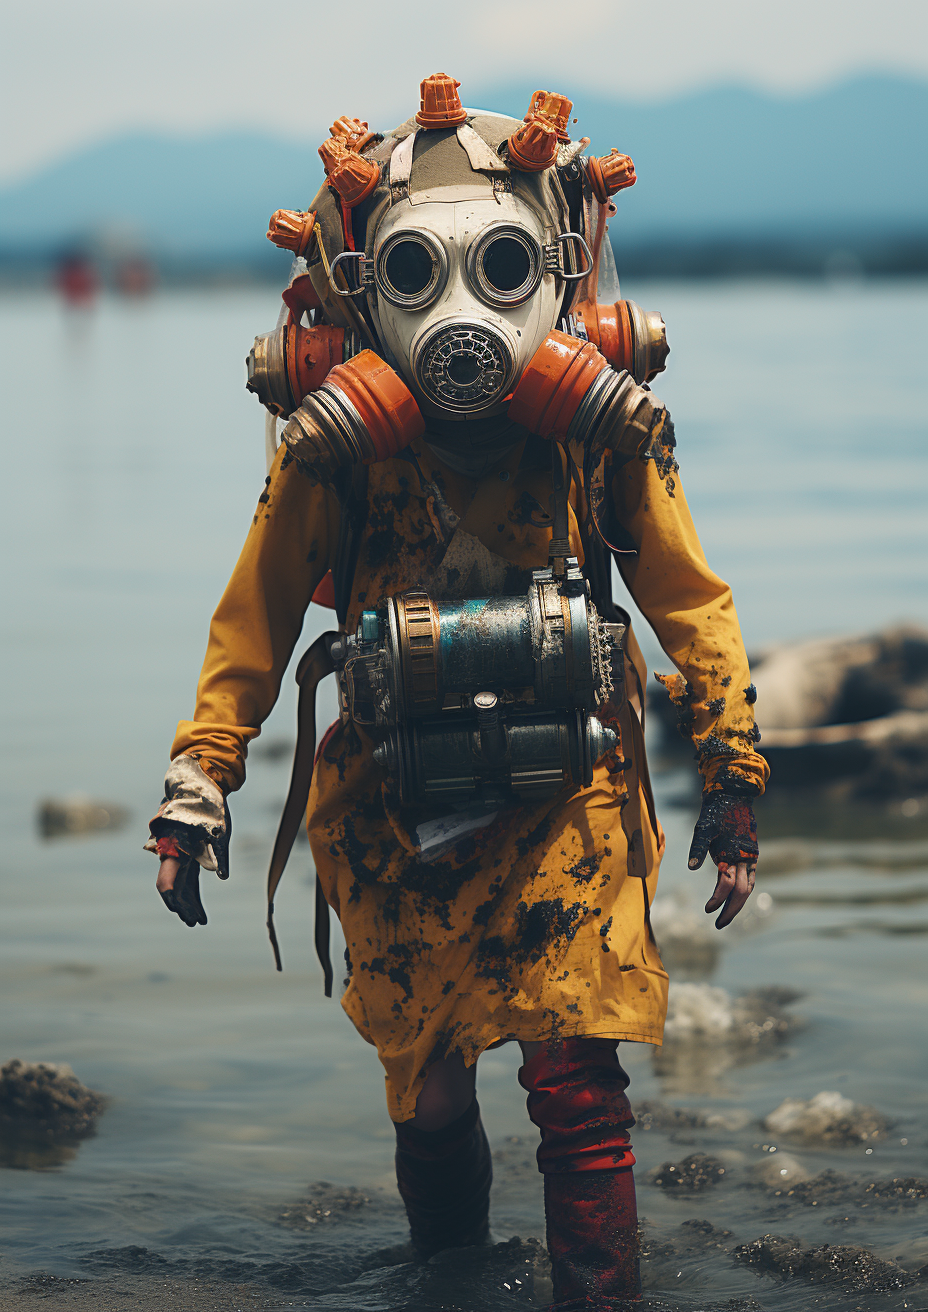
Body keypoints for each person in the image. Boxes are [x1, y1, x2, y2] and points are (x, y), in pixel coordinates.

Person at [147, 76, 767, 1310]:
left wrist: (733, 772)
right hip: (392, 791)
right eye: (421, 276)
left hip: (570, 783)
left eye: (497, 268)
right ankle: (452, 1284)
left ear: (548, 268)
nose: (462, 317)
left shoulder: (597, 432)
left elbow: (690, 598)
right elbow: (257, 614)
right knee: (427, 1086)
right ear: (368, 286)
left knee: (574, 1074)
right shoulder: (333, 448)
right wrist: (199, 783)